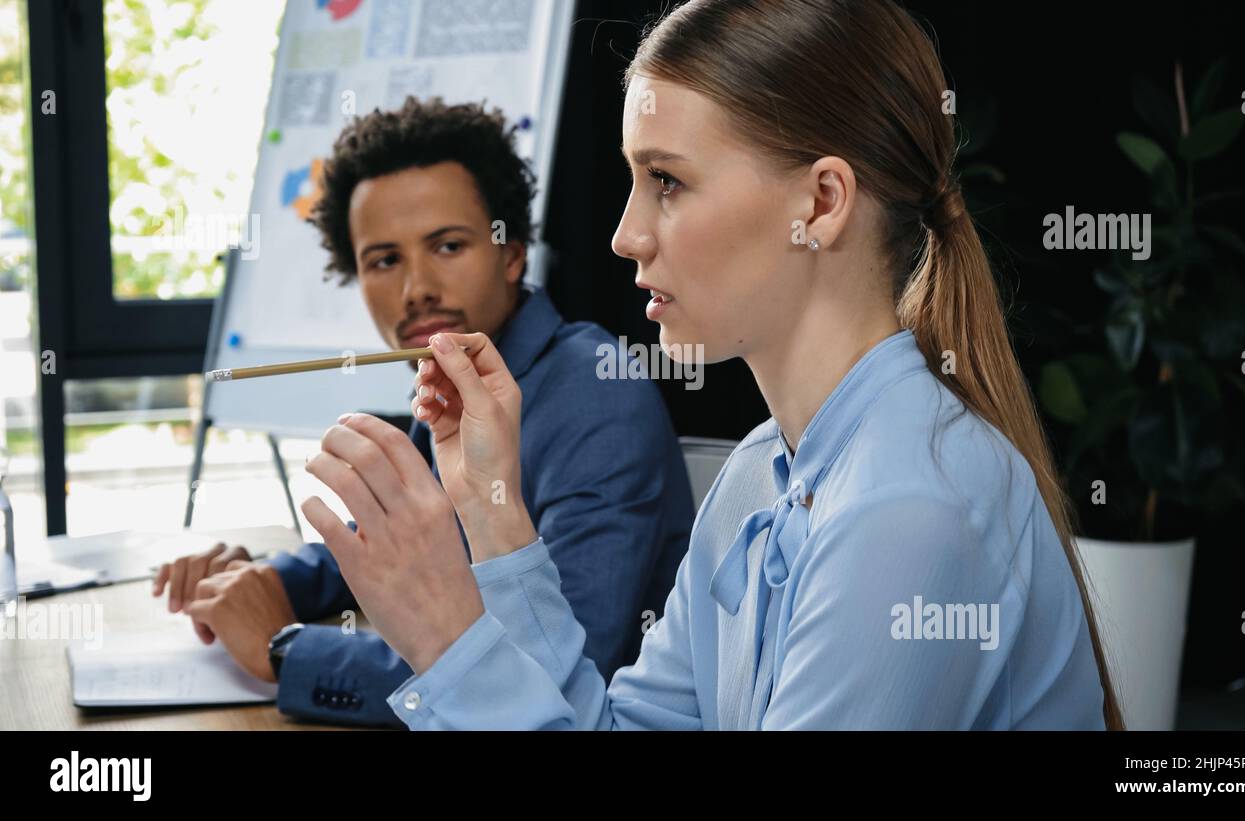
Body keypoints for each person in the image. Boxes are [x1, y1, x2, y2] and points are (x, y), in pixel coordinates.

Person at [300, 0, 1124, 729]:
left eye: (666, 180)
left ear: (822, 203)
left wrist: (448, 634)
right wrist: (492, 508)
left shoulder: (911, 508)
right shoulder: (761, 471)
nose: (626, 235)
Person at [154, 97, 694, 727]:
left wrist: (285, 650)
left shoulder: (597, 389)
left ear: (512, 254)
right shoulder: (446, 386)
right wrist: (270, 581)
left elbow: (549, 664)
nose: (416, 290)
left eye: (447, 246)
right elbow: (398, 549)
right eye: (384, 260)